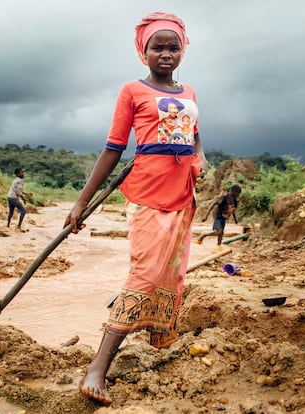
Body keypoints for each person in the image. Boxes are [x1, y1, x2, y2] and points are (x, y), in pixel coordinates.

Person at [64, 12, 208, 405]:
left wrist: (201, 159)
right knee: (144, 273)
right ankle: (98, 367)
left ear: (183, 50)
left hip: (183, 195)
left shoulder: (190, 92)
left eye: (173, 46)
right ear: (142, 52)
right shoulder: (131, 90)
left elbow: (195, 138)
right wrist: (82, 201)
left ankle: (156, 340)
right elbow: (114, 147)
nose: (165, 53)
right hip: (147, 194)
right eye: (157, 47)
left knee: (169, 273)